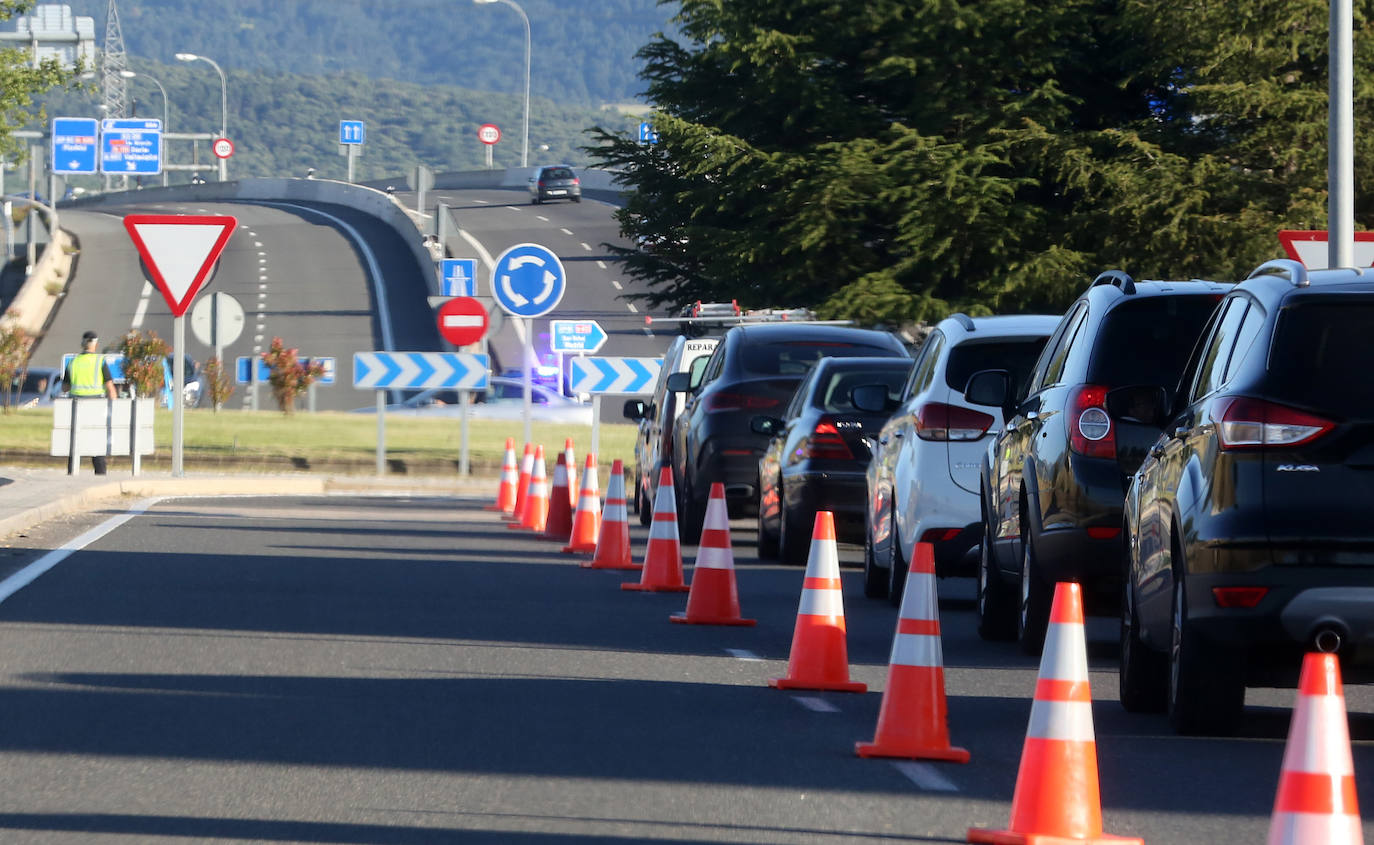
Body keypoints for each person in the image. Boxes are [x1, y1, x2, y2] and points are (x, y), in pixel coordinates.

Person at [62, 330, 117, 475]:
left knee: (74, 445)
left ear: (82, 344)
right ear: (96, 344)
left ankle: (71, 474)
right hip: (96, 409)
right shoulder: (100, 362)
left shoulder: (73, 362)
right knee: (97, 446)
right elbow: (111, 389)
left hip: (76, 408)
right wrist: (115, 409)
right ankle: (100, 475)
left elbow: (65, 387)